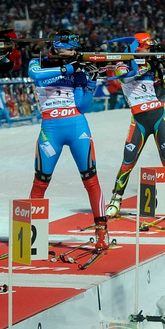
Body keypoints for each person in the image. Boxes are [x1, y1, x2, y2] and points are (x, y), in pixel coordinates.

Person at [28, 33, 108, 248]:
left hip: (77, 126)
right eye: (70, 49)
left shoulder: (78, 66)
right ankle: (32, 238)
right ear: (57, 47)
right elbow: (35, 76)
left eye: (75, 50)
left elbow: (83, 106)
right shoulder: (38, 62)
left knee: (91, 181)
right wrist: (68, 69)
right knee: (40, 182)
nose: (74, 53)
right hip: (50, 129)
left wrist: (90, 82)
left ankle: (102, 233)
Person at [105, 33, 165, 220]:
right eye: (148, 48)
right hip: (138, 119)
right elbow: (123, 77)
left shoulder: (153, 63)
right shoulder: (124, 62)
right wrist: (142, 67)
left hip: (159, 116)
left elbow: (162, 94)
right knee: (127, 163)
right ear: (137, 48)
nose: (151, 51)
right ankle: (115, 201)